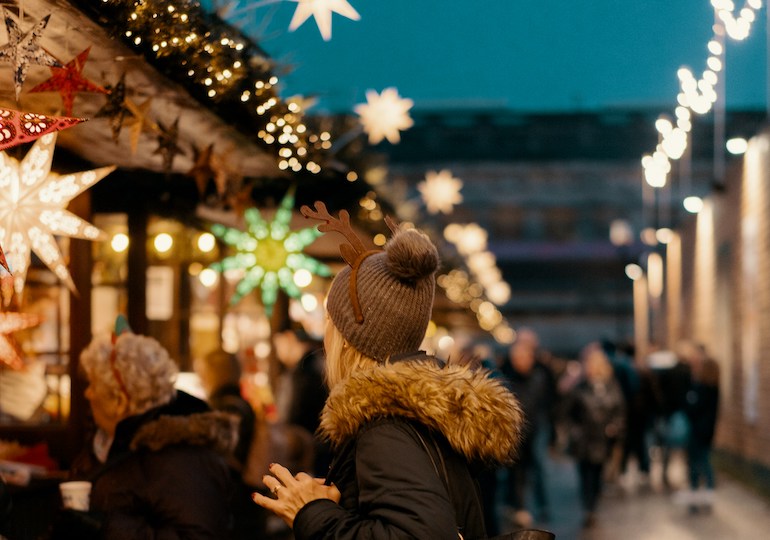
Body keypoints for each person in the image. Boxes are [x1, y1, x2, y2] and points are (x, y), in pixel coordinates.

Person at [253, 202, 525, 539]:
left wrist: (313, 515)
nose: (325, 333)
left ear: (349, 338)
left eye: (330, 320)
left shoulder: (385, 428)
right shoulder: (419, 416)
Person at [53, 324, 236, 539]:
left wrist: (104, 528)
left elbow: (197, 536)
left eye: (93, 384)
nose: (87, 393)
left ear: (119, 401)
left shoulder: (184, 457)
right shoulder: (108, 442)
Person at [195, 348, 267, 539]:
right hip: (242, 500)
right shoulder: (240, 404)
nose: (200, 379)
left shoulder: (225, 407)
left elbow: (222, 458)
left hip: (234, 502)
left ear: (214, 373)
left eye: (202, 373)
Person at [566, 343, 625, 528]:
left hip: (602, 439)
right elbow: (568, 411)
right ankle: (588, 509)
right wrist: (574, 430)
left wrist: (614, 426)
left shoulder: (611, 386)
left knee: (597, 475)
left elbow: (620, 410)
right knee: (585, 476)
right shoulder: (580, 387)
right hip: (584, 439)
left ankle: (593, 506)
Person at [272, 327, 331, 476]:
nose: (278, 353)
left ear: (289, 338)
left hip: (308, 453)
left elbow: (293, 416)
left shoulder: (304, 372)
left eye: (278, 345)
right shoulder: (316, 365)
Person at [683, 344, 720, 513]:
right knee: (704, 463)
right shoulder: (713, 388)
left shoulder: (702, 388)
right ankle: (706, 496)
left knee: (697, 465)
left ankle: (696, 497)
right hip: (706, 432)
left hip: (698, 432)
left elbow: (692, 408)